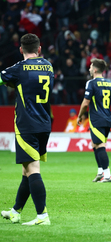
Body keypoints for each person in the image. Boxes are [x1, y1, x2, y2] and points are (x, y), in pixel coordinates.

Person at [0, 33, 54, 225]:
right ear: (39, 49)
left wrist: (10, 81)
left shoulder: (18, 68)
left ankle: (42, 215)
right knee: (26, 170)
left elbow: (3, 79)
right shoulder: (48, 66)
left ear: (21, 49)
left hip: (26, 125)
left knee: (33, 169)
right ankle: (15, 211)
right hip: (44, 124)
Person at [78, 58, 111, 183]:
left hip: (96, 119)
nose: (89, 69)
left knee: (100, 145)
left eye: (90, 67)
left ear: (94, 69)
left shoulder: (91, 83)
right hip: (108, 119)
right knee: (95, 144)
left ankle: (107, 174)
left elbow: (85, 103)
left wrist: (80, 115)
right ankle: (100, 172)